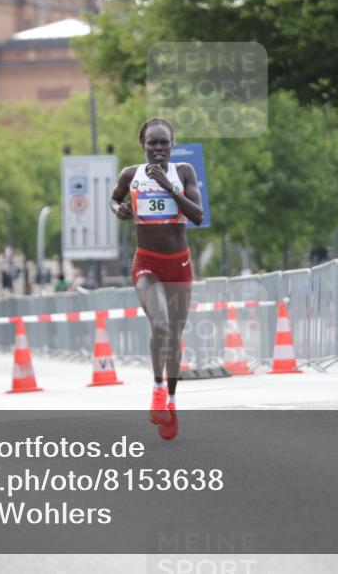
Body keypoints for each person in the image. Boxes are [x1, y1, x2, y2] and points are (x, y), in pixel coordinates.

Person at [110, 117, 204, 440]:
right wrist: (117, 209)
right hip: (147, 263)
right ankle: (157, 389)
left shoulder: (184, 173)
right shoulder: (130, 175)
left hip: (179, 265)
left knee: (174, 339)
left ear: (172, 146)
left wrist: (168, 187)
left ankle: (173, 403)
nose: (159, 149)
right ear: (143, 145)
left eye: (164, 143)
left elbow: (198, 215)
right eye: (153, 143)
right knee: (160, 325)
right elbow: (115, 197)